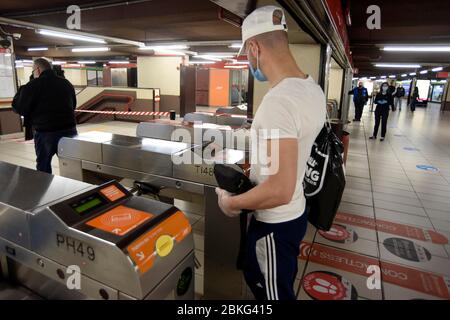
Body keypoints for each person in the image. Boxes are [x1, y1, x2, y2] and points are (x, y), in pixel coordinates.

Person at [214, 6, 326, 300]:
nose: (248, 61)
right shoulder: (311, 89)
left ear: (254, 47)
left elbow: (279, 189)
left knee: (275, 295)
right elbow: (292, 154)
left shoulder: (279, 101)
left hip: (275, 224)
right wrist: (258, 164)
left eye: (246, 54)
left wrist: (231, 203)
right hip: (294, 216)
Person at [12, 58, 78, 174]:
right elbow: (73, 104)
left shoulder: (33, 85)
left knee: (43, 166)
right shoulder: (66, 83)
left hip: (45, 132)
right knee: (72, 164)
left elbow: (20, 108)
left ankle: (46, 190)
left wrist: (22, 90)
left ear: (37, 69)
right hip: (69, 130)